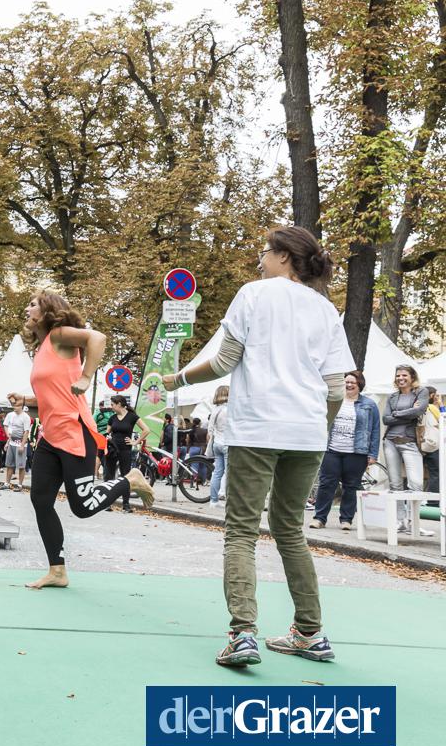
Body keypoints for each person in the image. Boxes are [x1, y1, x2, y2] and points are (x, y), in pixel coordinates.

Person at [162, 225, 354, 667]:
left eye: (265, 252)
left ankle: (242, 634)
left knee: (241, 532)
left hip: (257, 428)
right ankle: (310, 633)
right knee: (290, 531)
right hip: (307, 434)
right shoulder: (325, 309)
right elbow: (333, 388)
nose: (260, 260)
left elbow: (226, 362)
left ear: (284, 256)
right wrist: (316, 430)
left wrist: (180, 378)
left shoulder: (253, 294)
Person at [13, 292, 154, 590]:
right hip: (50, 437)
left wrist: (87, 376)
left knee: (84, 506)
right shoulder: (43, 348)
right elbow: (55, 395)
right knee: (40, 500)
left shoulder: (59, 335)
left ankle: (130, 480)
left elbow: (98, 338)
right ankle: (57, 571)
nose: (27, 308)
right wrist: (26, 400)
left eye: (33, 304)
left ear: (48, 310)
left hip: (74, 433)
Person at [310, 370, 379, 531]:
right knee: (327, 484)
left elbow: (375, 430)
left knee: (351, 486)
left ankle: (346, 519)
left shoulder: (369, 405)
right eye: (346, 382)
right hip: (331, 449)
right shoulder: (333, 401)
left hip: (357, 452)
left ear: (359, 385)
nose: (348, 385)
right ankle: (319, 518)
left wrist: (373, 454)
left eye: (352, 382)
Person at [382, 364, 430, 532]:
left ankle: (413, 523)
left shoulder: (421, 392)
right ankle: (401, 522)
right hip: (390, 442)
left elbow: (418, 412)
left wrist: (397, 414)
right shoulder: (392, 396)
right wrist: (408, 413)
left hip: (410, 442)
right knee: (395, 485)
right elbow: (386, 419)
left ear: (412, 377)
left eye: (404, 375)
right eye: (398, 375)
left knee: (415, 485)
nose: (400, 378)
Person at [105, 395, 150, 512]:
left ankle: (126, 504)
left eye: (112, 404)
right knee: (109, 475)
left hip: (125, 449)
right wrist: (107, 437)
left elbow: (146, 430)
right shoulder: (112, 418)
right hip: (112, 449)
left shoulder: (132, 417)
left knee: (126, 476)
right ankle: (107, 503)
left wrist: (135, 442)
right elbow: (107, 433)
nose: (111, 407)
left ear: (119, 404)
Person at [0, 393, 32, 491]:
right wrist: (8, 438)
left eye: (17, 406)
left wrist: (22, 445)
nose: (15, 408)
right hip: (11, 443)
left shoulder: (25, 417)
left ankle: (20, 485)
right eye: (14, 406)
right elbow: (6, 425)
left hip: (20, 443)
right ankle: (7, 483)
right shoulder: (10, 415)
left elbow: (26, 432)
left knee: (21, 466)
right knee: (9, 465)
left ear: (21, 406)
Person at [207, 386, 230, 506]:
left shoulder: (215, 410)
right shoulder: (229, 409)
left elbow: (210, 430)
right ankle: (227, 498)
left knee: (217, 473)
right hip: (227, 443)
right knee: (229, 473)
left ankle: (213, 501)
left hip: (216, 443)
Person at [423, 386, 440, 507]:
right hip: (432, 445)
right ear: (431, 395)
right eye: (436, 395)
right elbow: (443, 418)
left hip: (420, 444)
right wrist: (440, 404)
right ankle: (433, 501)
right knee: (435, 473)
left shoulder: (419, 407)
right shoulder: (432, 407)